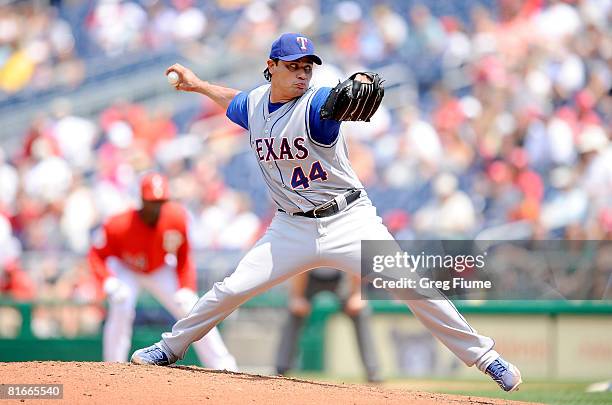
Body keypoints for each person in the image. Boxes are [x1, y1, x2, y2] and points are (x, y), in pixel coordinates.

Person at [130, 33, 522, 392]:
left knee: (413, 286)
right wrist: (196, 84)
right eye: (294, 66)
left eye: (307, 66)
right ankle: (169, 348)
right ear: (271, 67)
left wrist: (353, 94)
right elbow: (235, 101)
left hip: (349, 220)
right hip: (290, 228)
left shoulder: (316, 105)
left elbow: (330, 104)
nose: (302, 74)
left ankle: (487, 358)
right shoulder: (254, 104)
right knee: (231, 289)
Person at [88, 172, 237, 371]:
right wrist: (108, 281)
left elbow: (184, 256)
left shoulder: (176, 218)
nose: (156, 206)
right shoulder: (119, 223)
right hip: (127, 268)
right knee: (121, 304)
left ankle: (224, 366)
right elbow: (96, 255)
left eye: (161, 201)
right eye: (152, 201)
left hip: (159, 268)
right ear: (142, 200)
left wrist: (186, 287)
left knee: (192, 308)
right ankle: (113, 366)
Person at [276, 269, 383, 383]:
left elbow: (352, 262)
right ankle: (280, 370)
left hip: (340, 276)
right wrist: (297, 296)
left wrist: (356, 293)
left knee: (361, 311)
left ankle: (373, 371)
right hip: (309, 277)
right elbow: (300, 264)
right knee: (293, 311)